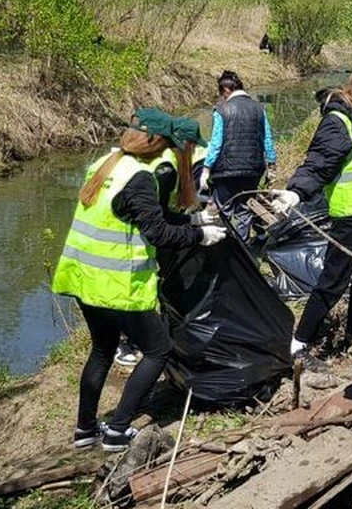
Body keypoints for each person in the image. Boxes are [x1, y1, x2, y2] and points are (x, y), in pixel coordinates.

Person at [50, 108, 227, 452]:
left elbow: (143, 214)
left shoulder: (107, 163)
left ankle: (85, 430)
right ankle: (117, 430)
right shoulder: (141, 178)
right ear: (156, 142)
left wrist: (192, 221)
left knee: (101, 352)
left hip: (84, 279)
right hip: (118, 283)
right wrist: (201, 236)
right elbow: (158, 232)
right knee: (158, 351)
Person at [271, 51, 352, 363]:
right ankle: (300, 342)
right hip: (351, 214)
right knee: (334, 280)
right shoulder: (341, 116)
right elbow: (319, 162)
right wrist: (296, 193)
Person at [114, 117, 211, 369]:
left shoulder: (165, 161)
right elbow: (157, 217)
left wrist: (192, 219)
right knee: (132, 294)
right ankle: (127, 344)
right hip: (133, 243)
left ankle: (138, 337)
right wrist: (197, 231)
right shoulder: (164, 166)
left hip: (143, 237)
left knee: (143, 292)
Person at [200, 70, 277, 241]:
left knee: (224, 210)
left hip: (225, 171)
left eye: (221, 94)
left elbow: (216, 143)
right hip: (253, 170)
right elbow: (268, 139)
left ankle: (227, 249)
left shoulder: (221, 109)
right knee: (245, 211)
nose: (222, 98)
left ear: (226, 90)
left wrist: (206, 169)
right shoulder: (259, 108)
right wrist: (272, 165)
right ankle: (244, 248)